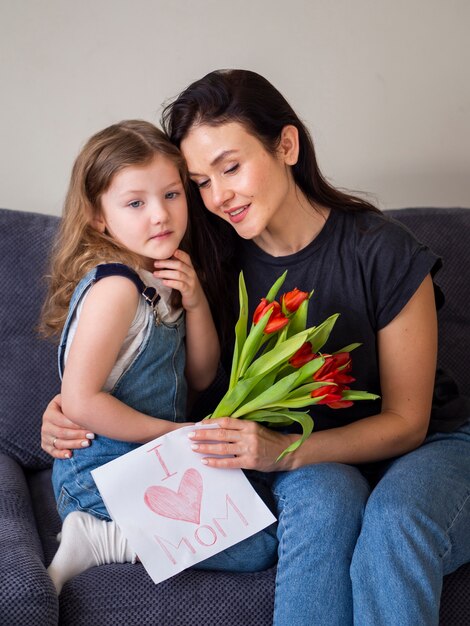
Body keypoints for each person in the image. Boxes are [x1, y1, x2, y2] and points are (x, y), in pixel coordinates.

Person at [41, 71, 470, 625]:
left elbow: (409, 422)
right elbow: (157, 365)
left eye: (232, 167)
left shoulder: (381, 251)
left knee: (394, 523)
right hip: (312, 456)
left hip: (423, 445)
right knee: (325, 503)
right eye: (199, 182)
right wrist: (65, 409)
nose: (218, 197)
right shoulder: (205, 257)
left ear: (286, 146)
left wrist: (281, 452)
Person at [39, 119, 277, 594]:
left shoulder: (159, 279)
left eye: (171, 195)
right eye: (135, 203)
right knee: (258, 547)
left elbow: (202, 374)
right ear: (98, 217)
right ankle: (104, 538)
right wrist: (176, 435)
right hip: (99, 476)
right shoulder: (116, 288)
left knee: (261, 513)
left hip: (146, 464)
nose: (160, 216)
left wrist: (195, 301)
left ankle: (116, 531)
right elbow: (81, 402)